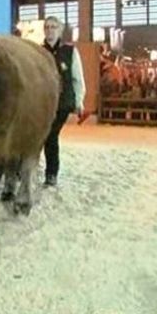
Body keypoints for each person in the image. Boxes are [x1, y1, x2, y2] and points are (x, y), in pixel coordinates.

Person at [41, 16, 86, 187]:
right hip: (44, 103)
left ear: (60, 30)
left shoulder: (70, 51)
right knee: (41, 136)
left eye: (53, 27)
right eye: (47, 27)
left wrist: (79, 100)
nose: (50, 30)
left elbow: (77, 78)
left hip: (63, 102)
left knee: (50, 135)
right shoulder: (39, 51)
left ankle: (51, 174)